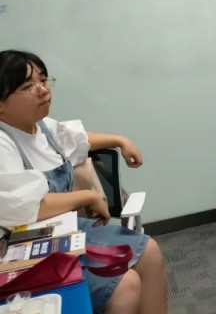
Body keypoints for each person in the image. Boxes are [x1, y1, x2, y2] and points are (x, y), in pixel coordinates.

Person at [0, 50, 168, 314]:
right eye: (27, 86)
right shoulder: (3, 142)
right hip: (19, 246)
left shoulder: (41, 126)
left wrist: (121, 141)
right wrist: (88, 197)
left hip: (61, 230)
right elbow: (28, 207)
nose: (42, 90)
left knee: (150, 252)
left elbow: (79, 139)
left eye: (43, 80)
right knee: (125, 285)